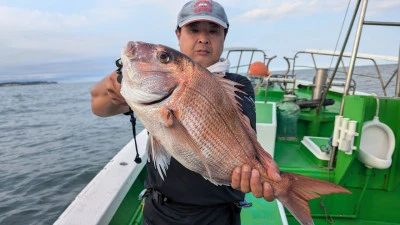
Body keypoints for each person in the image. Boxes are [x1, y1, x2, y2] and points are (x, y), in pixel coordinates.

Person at [91, 1, 275, 224]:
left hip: (219, 215)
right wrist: (115, 87)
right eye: (193, 29)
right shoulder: (156, 81)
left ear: (224, 36)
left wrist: (264, 175)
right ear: (178, 34)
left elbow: (245, 142)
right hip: (160, 211)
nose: (203, 38)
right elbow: (98, 104)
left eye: (213, 31)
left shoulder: (238, 85)